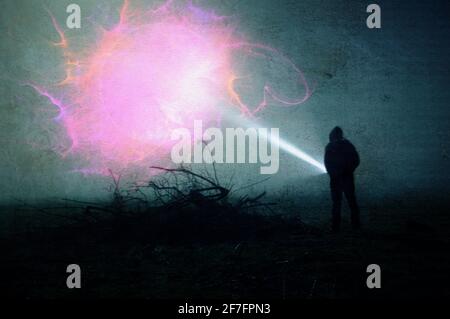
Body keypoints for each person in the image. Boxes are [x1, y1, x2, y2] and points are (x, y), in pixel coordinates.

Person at [324, 126, 360, 232]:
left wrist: (333, 173)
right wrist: (349, 170)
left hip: (337, 178)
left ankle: (336, 227)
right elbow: (356, 160)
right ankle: (355, 225)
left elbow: (327, 163)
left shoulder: (330, 147)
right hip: (346, 177)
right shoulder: (348, 145)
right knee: (351, 201)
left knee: (337, 202)